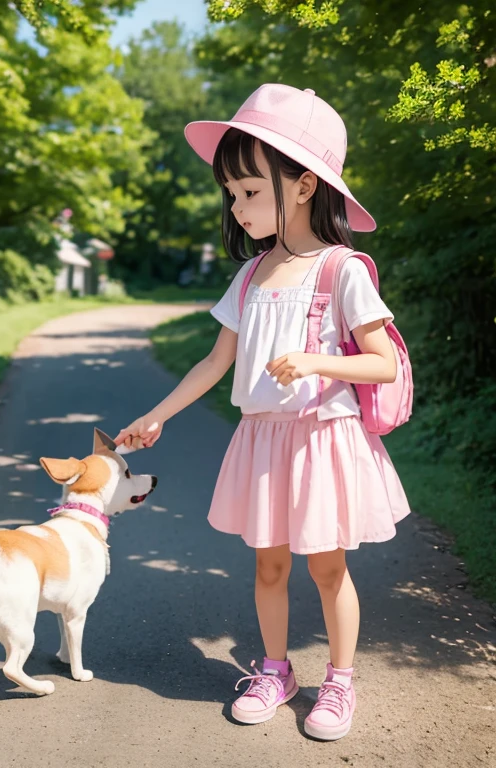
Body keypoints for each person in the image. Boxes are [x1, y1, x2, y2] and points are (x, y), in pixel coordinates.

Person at [114, 84, 412, 741]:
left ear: (304, 186)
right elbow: (214, 363)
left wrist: (316, 363)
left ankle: (339, 680)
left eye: (250, 190)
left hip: (322, 442)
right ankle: (276, 671)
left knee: (328, 567)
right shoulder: (249, 277)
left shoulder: (341, 271)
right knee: (269, 566)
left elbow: (382, 363)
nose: (237, 205)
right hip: (264, 441)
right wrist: (158, 414)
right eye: (233, 192)